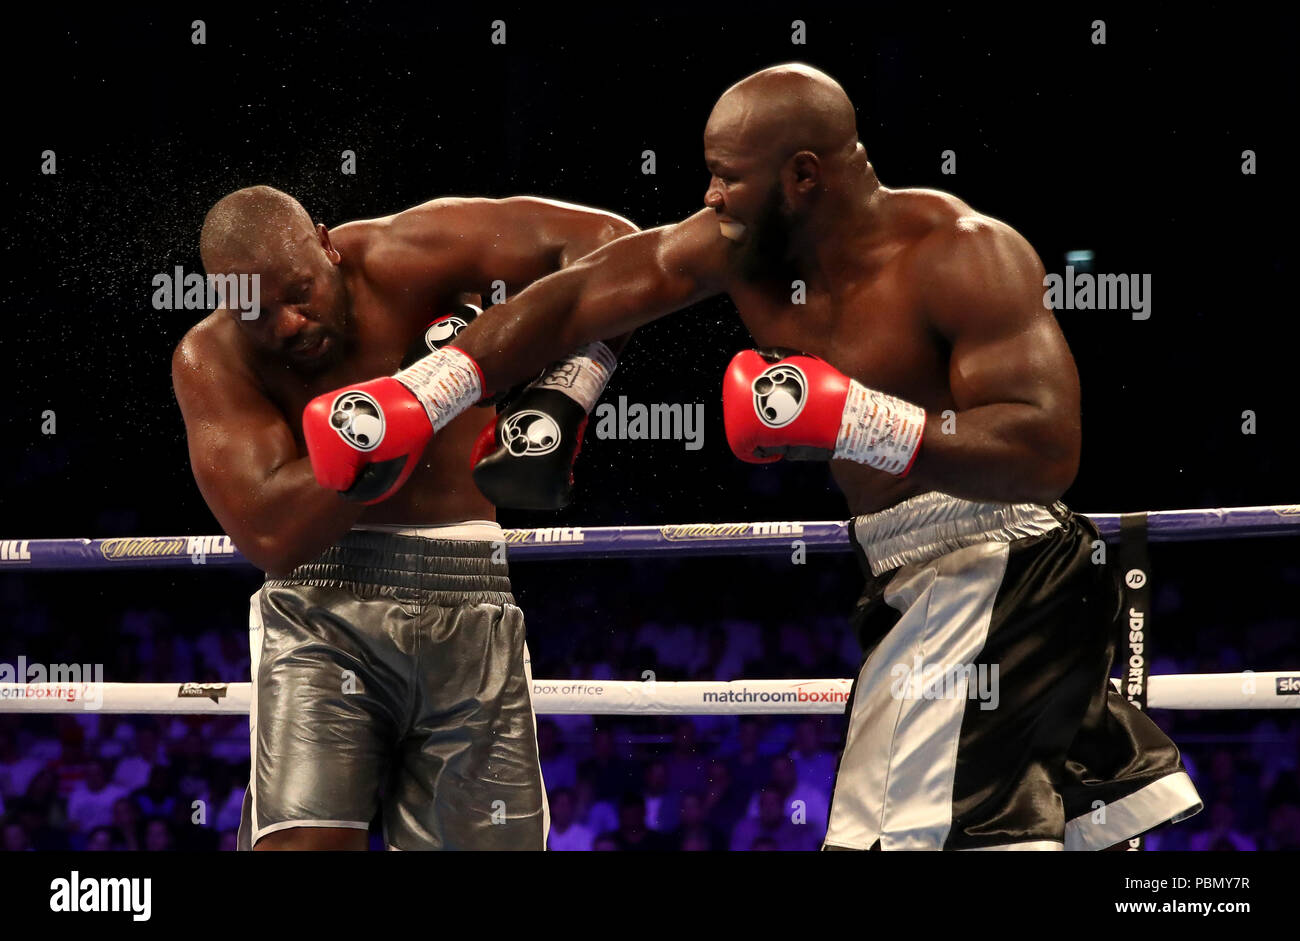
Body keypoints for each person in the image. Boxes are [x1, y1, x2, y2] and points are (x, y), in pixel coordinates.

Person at [306, 64, 1202, 850]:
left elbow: (1048, 448)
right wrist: (427, 393)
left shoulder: (962, 255)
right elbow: (581, 296)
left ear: (802, 177)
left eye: (728, 177)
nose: (711, 197)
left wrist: (851, 417)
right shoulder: (740, 247)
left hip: (996, 562)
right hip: (919, 573)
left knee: (889, 835)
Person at [174, 185, 636, 849]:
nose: (286, 325)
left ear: (327, 244)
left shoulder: (410, 256)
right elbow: (270, 533)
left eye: (299, 292)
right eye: (257, 312)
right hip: (319, 609)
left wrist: (564, 394)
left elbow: (611, 246)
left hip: (469, 589)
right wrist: (417, 402)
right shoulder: (212, 357)